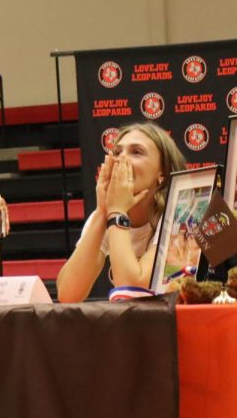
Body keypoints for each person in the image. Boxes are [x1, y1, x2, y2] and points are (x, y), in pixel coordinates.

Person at [56, 121, 187, 302]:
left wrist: (117, 213)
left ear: (162, 173)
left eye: (136, 152)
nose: (120, 159)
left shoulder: (181, 214)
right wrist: (103, 212)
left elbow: (133, 291)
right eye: (117, 152)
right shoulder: (105, 214)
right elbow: (68, 294)